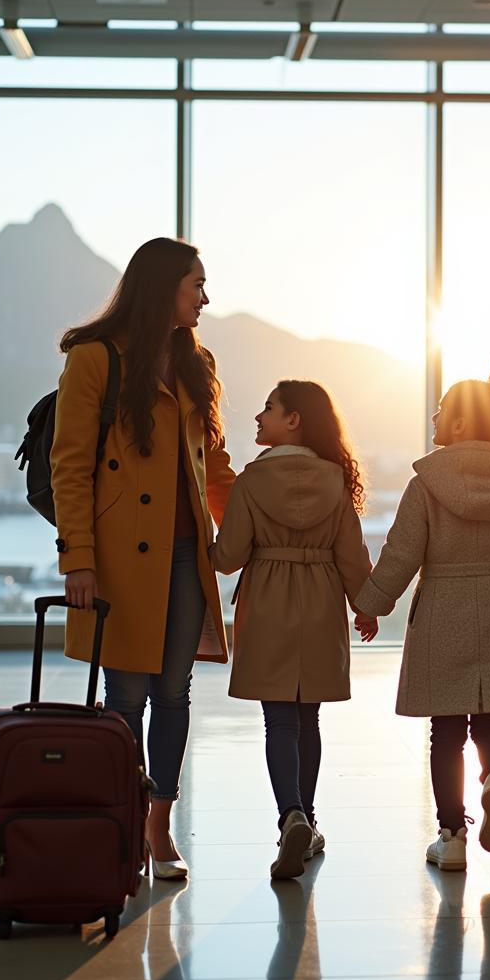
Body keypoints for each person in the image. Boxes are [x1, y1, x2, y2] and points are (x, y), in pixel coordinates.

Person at [52, 237, 236, 880]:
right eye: (197, 285)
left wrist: (245, 527)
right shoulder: (94, 358)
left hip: (187, 554)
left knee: (174, 691)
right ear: (164, 288)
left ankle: (159, 826)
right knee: (126, 693)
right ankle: (124, 821)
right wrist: (78, 559)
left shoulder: (195, 360)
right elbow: (69, 465)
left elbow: (213, 463)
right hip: (119, 558)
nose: (206, 298)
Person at [355, 379, 490, 873]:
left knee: (445, 732)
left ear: (461, 423)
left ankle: (451, 838)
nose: (433, 419)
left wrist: (372, 604)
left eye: (441, 410)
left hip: (443, 609)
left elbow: (400, 554)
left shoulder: (426, 482)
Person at [210, 380, 374, 880]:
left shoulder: (253, 480)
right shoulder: (335, 479)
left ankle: (291, 816)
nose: (259, 417)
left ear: (294, 419)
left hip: (269, 602)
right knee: (309, 721)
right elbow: (352, 556)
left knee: (278, 721)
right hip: (323, 600)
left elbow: (229, 556)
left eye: (268, 408)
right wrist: (365, 607)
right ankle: (310, 818)